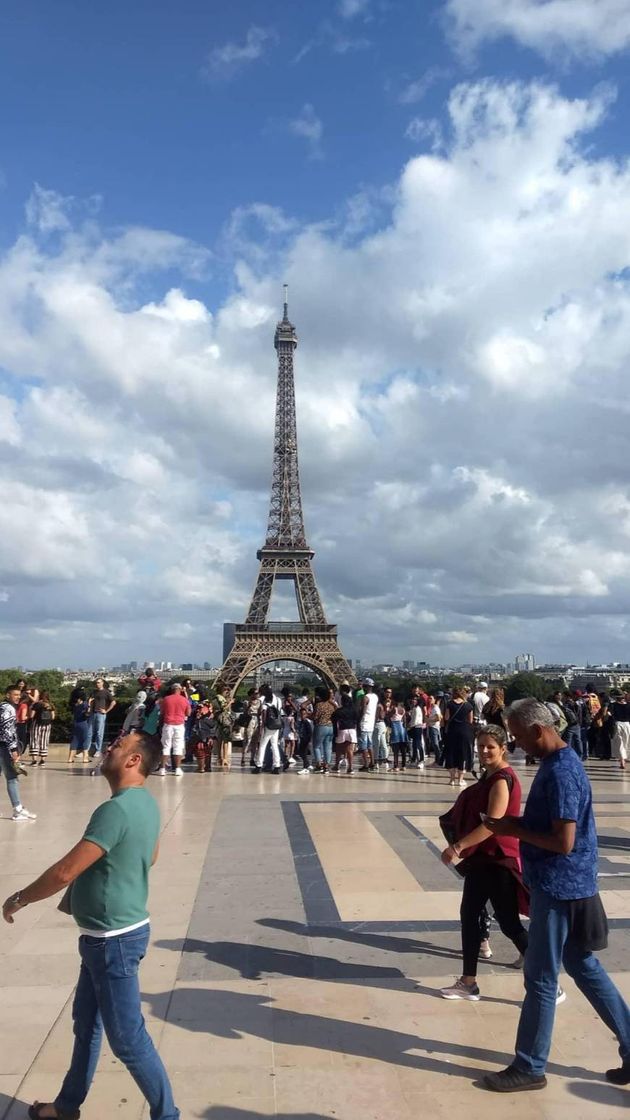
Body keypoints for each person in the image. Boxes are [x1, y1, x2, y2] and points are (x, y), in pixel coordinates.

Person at [2, 729, 180, 1119]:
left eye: (118, 746)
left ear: (134, 760)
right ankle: (67, 1105)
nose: (109, 748)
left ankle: (167, 1115)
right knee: (86, 1022)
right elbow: (149, 856)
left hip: (112, 941)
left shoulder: (115, 810)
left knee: (128, 1040)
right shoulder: (144, 803)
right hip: (110, 935)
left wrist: (19, 898)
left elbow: (65, 871)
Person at [482, 698, 630, 1093]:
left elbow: (563, 841)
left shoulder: (562, 771)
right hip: (572, 882)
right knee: (583, 965)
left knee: (542, 977)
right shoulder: (556, 764)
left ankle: (530, 1065)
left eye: (517, 736)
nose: (516, 744)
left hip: (560, 885)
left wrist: (512, 829)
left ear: (538, 730)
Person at [439, 726, 530, 1001]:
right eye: (480, 746)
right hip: (486, 858)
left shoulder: (501, 780)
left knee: (508, 922)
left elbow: (493, 824)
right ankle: (468, 981)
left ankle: (545, 978)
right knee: (475, 916)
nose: (484, 751)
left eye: (490, 746)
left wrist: (457, 846)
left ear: (503, 747)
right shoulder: (491, 776)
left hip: (496, 858)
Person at [0, 684, 36, 822]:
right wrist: (13, 749)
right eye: (15, 694)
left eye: (19, 695)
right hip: (5, 747)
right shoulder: (8, 708)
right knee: (12, 778)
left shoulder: (2, 706)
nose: (18, 697)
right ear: (8, 695)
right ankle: (18, 809)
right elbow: (7, 730)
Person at [443, 687, 474, 787]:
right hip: (464, 731)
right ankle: (460, 780)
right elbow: (470, 721)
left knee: (451, 753)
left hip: (452, 731)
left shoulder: (450, 704)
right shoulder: (468, 705)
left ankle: (452, 779)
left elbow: (446, 717)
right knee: (463, 754)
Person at [158, 683, 190, 776]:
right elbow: (188, 713)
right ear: (180, 690)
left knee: (166, 746)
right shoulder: (184, 700)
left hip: (168, 724)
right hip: (179, 724)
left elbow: (162, 713)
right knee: (178, 746)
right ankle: (177, 769)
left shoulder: (166, 699)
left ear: (172, 690)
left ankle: (162, 768)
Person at [252, 686, 283, 774]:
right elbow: (279, 711)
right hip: (276, 725)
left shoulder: (265, 701)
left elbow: (263, 714)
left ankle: (258, 765)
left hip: (268, 726)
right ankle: (277, 766)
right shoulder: (278, 699)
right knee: (274, 745)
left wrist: (262, 727)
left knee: (262, 745)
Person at [87, 678, 116, 759]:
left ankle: (98, 750)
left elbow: (113, 702)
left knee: (99, 733)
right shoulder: (94, 692)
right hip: (93, 713)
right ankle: (86, 749)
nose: (97, 684)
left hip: (100, 714)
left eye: (99, 683)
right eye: (96, 683)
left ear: (102, 683)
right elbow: (90, 701)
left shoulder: (106, 692)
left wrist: (106, 711)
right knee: (89, 733)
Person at [311, 687, 336, 775]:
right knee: (328, 747)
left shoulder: (319, 705)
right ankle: (326, 766)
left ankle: (318, 765)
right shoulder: (332, 705)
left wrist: (307, 715)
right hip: (331, 727)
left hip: (321, 726)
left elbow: (315, 717)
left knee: (316, 746)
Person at [331, 692, 358, 775]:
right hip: (352, 730)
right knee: (350, 750)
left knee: (339, 749)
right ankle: (350, 767)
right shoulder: (354, 710)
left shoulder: (339, 711)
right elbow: (357, 720)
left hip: (342, 729)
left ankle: (336, 766)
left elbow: (333, 718)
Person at [29, 691, 55, 766]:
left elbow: (31, 715)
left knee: (34, 740)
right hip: (47, 725)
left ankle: (34, 761)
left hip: (37, 724)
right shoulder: (51, 705)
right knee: (44, 741)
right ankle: (42, 760)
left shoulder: (37, 704)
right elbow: (53, 717)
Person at [358, 679, 378, 772]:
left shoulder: (365, 697)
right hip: (371, 723)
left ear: (366, 687)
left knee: (363, 746)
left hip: (364, 722)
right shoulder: (375, 697)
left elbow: (363, 710)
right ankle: (372, 763)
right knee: (370, 745)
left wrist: (359, 720)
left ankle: (365, 764)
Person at [68, 690, 91, 763]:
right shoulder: (84, 704)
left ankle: (70, 758)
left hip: (75, 723)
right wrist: (89, 703)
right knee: (85, 739)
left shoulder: (74, 705)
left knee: (74, 740)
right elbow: (87, 713)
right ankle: (85, 758)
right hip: (83, 723)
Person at [610, 689, 630, 770]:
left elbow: (610, 715)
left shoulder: (613, 705)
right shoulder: (628, 705)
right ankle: (625, 758)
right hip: (627, 724)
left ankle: (622, 761)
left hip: (617, 724)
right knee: (626, 742)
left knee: (619, 743)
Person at [406, 694, 426, 769]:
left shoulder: (417, 709)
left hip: (417, 727)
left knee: (418, 744)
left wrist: (409, 726)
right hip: (415, 728)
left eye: (415, 699)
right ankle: (414, 760)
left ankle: (421, 760)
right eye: (413, 699)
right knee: (414, 745)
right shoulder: (414, 708)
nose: (413, 700)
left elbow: (414, 720)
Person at [389, 697, 408, 772]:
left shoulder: (394, 709)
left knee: (395, 749)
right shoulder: (403, 709)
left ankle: (396, 766)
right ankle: (403, 765)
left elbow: (388, 716)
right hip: (402, 728)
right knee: (403, 749)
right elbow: (405, 720)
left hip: (395, 727)